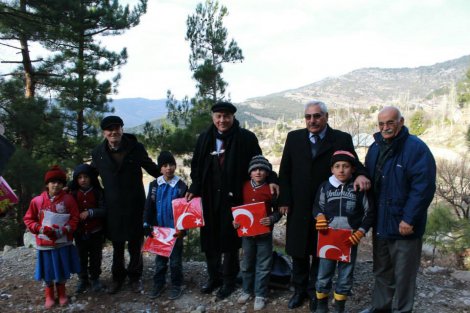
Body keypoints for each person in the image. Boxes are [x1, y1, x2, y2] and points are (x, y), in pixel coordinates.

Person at [278, 100, 370, 311]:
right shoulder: (294, 137)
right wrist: (284, 199)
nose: (313, 120)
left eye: (317, 116)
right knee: (298, 249)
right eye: (309, 117)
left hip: (329, 205)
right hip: (299, 204)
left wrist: (362, 176)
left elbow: (355, 165)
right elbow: (285, 171)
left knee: (321, 250)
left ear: (327, 117)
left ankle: (315, 292)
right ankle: (299, 290)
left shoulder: (341, 138)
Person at [185, 101, 278, 300]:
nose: (222, 120)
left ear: (233, 117)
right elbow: (196, 167)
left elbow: (259, 162)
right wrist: (194, 187)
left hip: (235, 198)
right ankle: (214, 277)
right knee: (209, 239)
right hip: (209, 197)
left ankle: (228, 281)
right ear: (213, 117)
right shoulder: (204, 139)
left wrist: (271, 179)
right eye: (218, 116)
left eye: (226, 116)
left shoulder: (246, 138)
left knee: (229, 240)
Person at [360, 106, 436, 313]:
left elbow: (424, 188)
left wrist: (409, 219)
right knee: (382, 270)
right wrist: (360, 175)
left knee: (404, 275)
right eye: (381, 124)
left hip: (404, 225)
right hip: (381, 223)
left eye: (390, 122)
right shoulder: (375, 148)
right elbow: (369, 177)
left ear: (401, 122)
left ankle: (402, 310)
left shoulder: (416, 148)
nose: (385, 127)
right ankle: (380, 307)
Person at [91, 115, 160, 294]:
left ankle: (135, 277)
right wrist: (71, 187)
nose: (113, 132)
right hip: (113, 206)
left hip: (135, 203)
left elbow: (151, 168)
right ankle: (118, 278)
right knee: (117, 244)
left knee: (135, 243)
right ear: (104, 132)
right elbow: (91, 175)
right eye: (109, 129)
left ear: (122, 129)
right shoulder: (98, 152)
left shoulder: (135, 148)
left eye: (117, 128)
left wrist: (170, 180)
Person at [313, 151, 375, 313]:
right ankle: (321, 305)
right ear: (332, 169)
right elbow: (317, 207)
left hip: (350, 239)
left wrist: (361, 232)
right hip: (328, 238)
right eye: (337, 166)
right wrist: (319, 217)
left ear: (353, 169)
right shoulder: (325, 186)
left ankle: (339, 306)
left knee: (345, 275)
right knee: (323, 273)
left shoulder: (358, 188)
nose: (341, 170)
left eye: (346, 166)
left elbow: (370, 213)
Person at [23, 165, 80, 309]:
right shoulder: (36, 201)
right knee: (48, 270)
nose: (56, 185)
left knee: (61, 268)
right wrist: (39, 228)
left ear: (63, 185)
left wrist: (64, 229)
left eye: (60, 182)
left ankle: (62, 293)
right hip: (44, 243)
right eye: (53, 182)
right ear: (47, 184)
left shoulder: (68, 200)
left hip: (62, 242)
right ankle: (49, 294)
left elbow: (75, 218)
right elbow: (28, 219)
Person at [233, 155, 281, 311]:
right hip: (247, 234)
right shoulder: (243, 186)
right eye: (254, 169)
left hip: (264, 235)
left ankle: (260, 294)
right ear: (250, 172)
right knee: (247, 263)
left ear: (267, 173)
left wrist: (272, 218)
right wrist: (236, 221)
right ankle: (247, 290)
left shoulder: (271, 189)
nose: (258, 172)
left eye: (262, 169)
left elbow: (278, 211)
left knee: (264, 265)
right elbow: (237, 208)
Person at [143, 151, 188, 300]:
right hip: (159, 231)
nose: (168, 168)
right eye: (164, 165)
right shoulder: (154, 185)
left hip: (175, 231)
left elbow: (186, 211)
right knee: (160, 261)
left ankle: (177, 285)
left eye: (171, 165)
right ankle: (158, 284)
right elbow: (149, 206)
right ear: (160, 168)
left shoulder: (181, 186)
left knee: (175, 262)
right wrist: (146, 223)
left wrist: (183, 230)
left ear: (175, 166)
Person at [69, 164, 106, 294]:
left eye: (86, 177)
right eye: (79, 177)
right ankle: (82, 279)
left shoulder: (98, 192)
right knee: (81, 257)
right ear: (76, 179)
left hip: (96, 231)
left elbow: (104, 210)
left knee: (96, 257)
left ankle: (95, 278)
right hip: (79, 232)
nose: (83, 180)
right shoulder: (72, 194)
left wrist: (90, 212)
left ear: (91, 178)